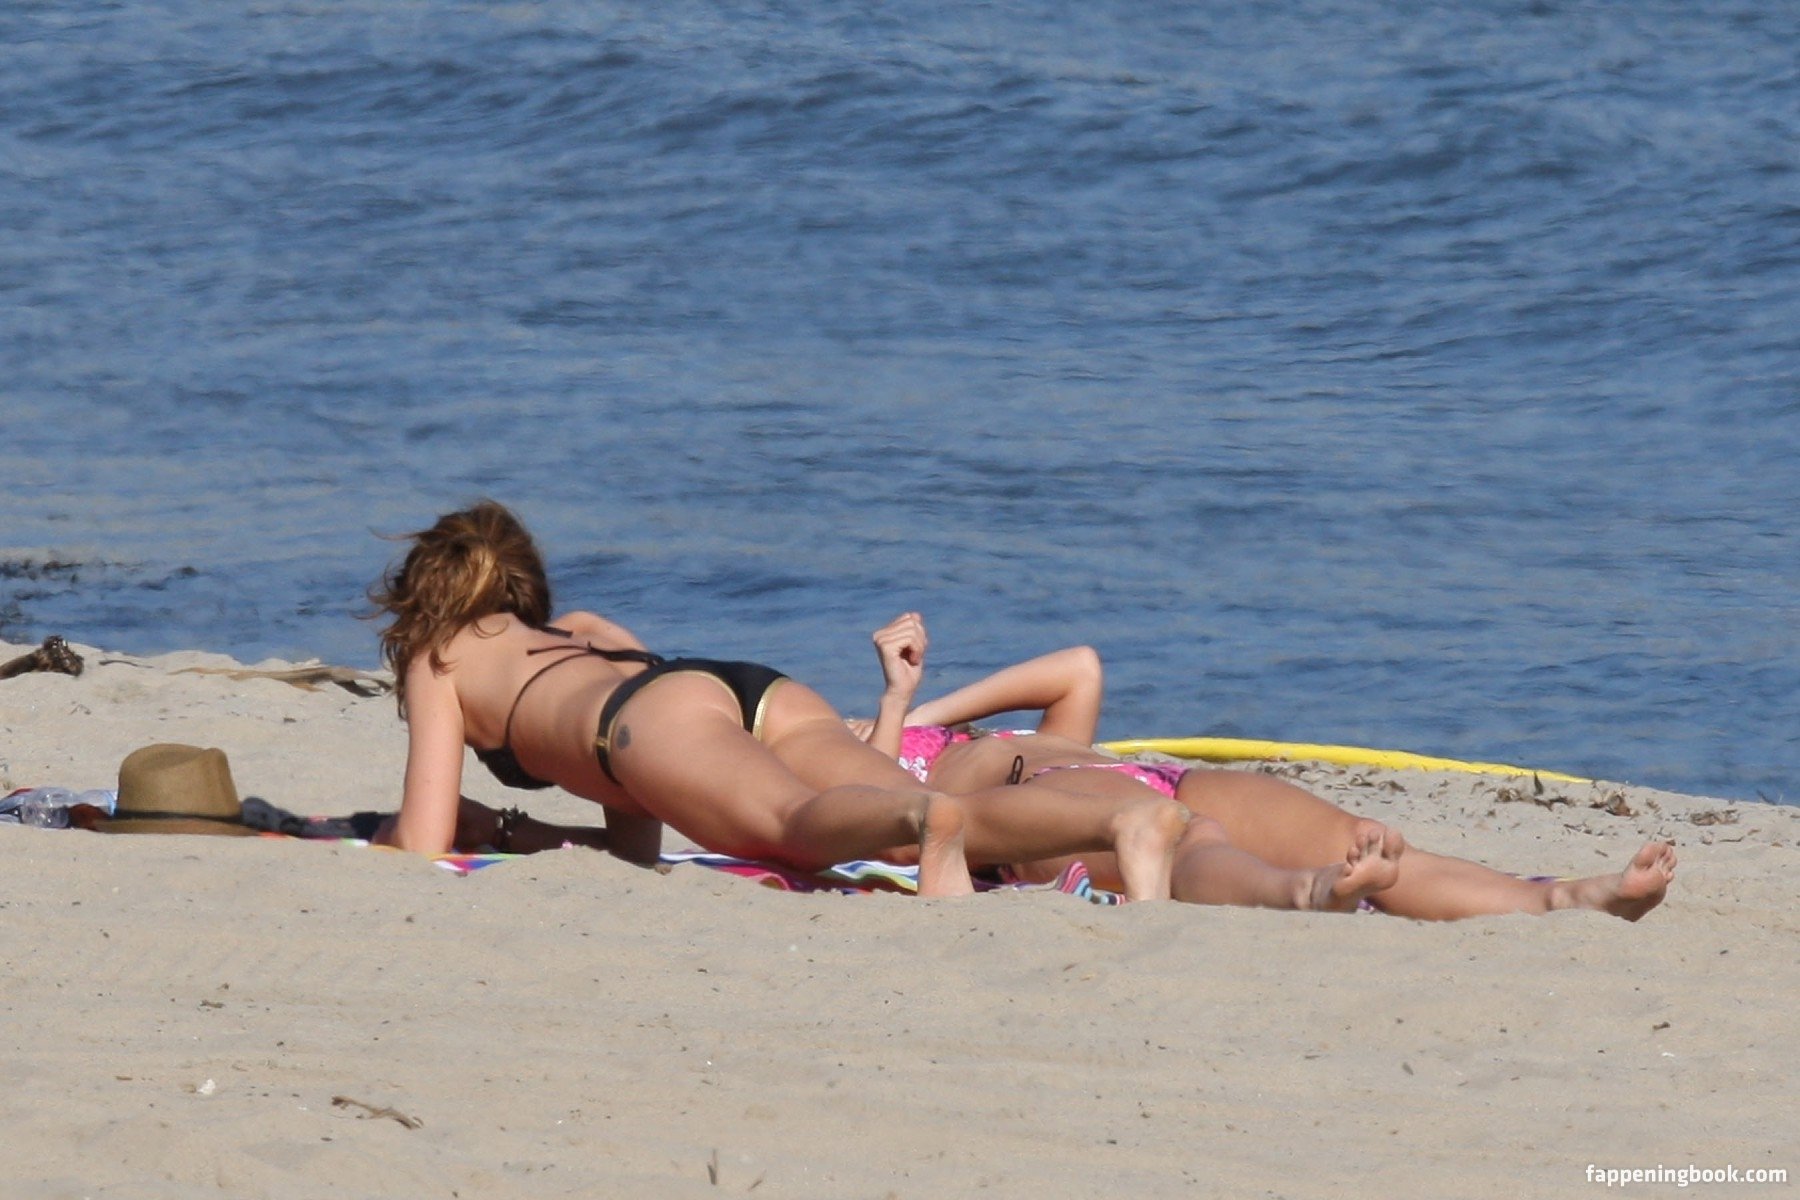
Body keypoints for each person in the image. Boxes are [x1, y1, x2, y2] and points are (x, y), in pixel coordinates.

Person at [366, 501, 1188, 899]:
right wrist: (518, 831)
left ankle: (917, 818)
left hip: (650, 725)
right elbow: (636, 831)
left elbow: (423, 841)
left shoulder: (439, 659)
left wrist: (394, 835)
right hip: (729, 684)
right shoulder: (581, 628)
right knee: (938, 814)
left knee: (802, 827)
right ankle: (1118, 819)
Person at [858, 613, 1677, 921]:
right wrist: (892, 711)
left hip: (1164, 778)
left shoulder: (946, 738)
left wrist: (927, 711)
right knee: (1196, 845)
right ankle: (1308, 895)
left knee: (1365, 842)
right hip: (1046, 807)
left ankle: (1570, 897)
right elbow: (875, 809)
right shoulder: (887, 774)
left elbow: (1079, 668)